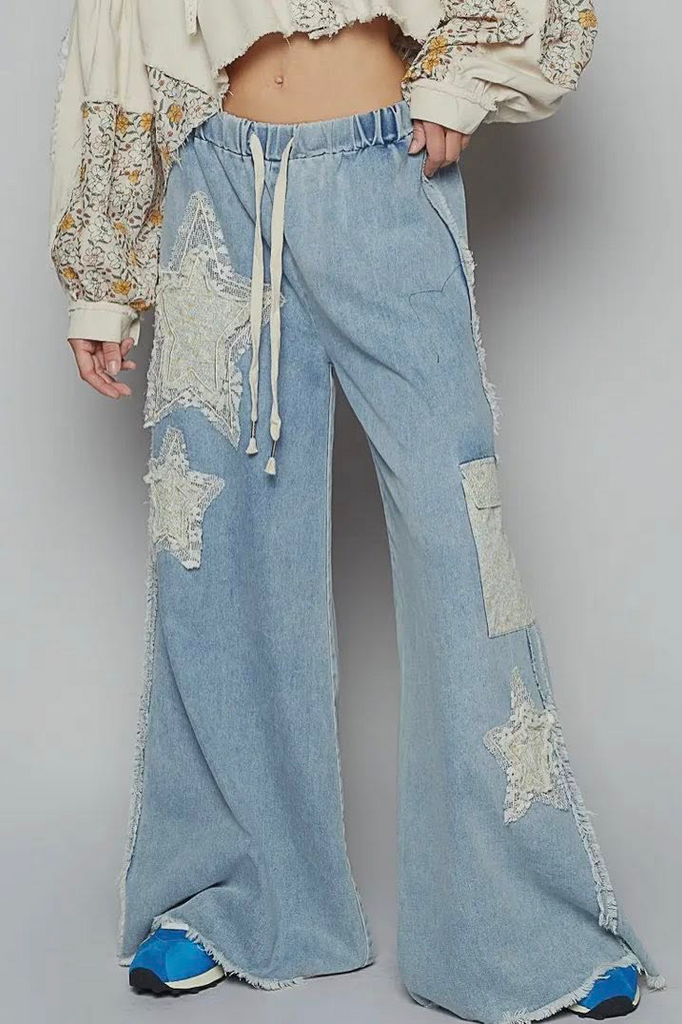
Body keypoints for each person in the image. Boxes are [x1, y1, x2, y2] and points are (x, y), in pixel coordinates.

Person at [49, 3, 663, 1021]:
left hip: (383, 168)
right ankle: (232, 894)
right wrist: (104, 281)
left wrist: (460, 82)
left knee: (457, 534)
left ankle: (516, 921)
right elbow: (113, 22)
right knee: (214, 549)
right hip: (212, 177)